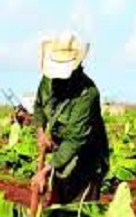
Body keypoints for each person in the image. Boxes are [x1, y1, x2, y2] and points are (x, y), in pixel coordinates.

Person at [32, 32, 109, 204]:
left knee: (78, 214)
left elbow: (75, 140)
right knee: (58, 208)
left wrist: (44, 171)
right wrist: (41, 133)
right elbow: (38, 106)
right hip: (62, 155)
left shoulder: (87, 94)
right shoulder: (47, 81)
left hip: (86, 160)